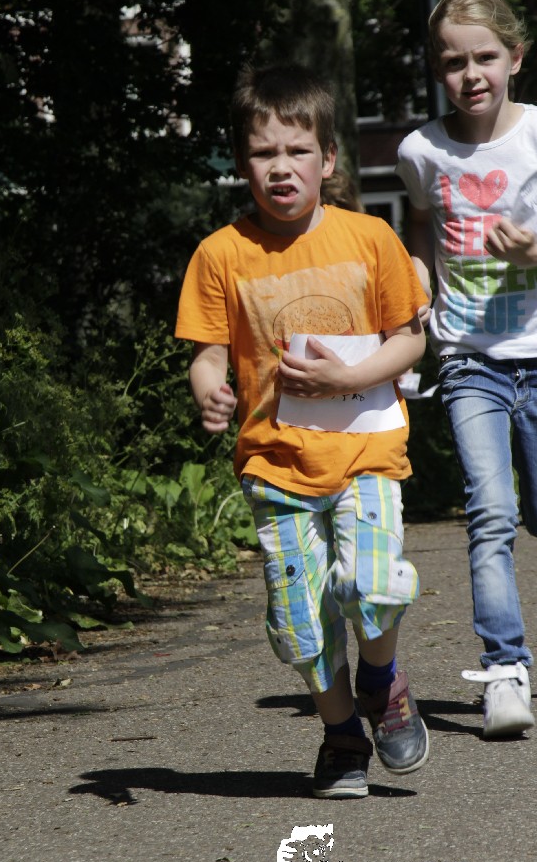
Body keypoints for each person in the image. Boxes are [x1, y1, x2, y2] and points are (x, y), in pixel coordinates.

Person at [176, 63, 429, 799]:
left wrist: (346, 379)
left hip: (366, 451)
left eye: (297, 151)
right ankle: (343, 734)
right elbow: (208, 353)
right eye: (264, 153)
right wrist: (210, 393)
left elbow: (409, 340)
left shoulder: (370, 238)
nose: (281, 167)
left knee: (373, 585)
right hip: (274, 466)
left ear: (329, 160)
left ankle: (382, 681)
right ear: (241, 162)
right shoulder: (221, 254)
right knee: (299, 621)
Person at [396, 0, 537, 740]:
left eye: (485, 57)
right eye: (453, 62)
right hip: (469, 357)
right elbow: (419, 225)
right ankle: (506, 670)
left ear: (515, 58)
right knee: (490, 512)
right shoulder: (421, 151)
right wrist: (415, 285)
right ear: (437, 69)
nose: (470, 74)